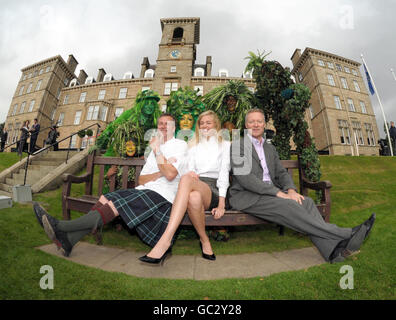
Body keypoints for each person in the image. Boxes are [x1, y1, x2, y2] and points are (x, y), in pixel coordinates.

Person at [228, 108, 376, 263]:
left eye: (259, 121)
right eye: (252, 121)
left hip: (269, 195)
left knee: (307, 202)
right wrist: (278, 193)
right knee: (289, 206)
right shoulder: (238, 145)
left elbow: (281, 173)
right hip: (247, 196)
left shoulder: (269, 148)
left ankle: (332, 252)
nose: (256, 125)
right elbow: (245, 179)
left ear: (264, 124)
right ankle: (346, 233)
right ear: (246, 125)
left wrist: (291, 190)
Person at [33, 114, 188, 259]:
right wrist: (159, 171)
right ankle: (69, 241)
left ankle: (61, 226)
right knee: (106, 198)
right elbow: (141, 180)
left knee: (115, 205)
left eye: (167, 124)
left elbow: (170, 174)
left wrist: (157, 150)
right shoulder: (152, 151)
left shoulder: (180, 145)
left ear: (174, 128)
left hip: (163, 197)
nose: (163, 126)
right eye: (160, 123)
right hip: (144, 191)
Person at [141, 110, 231, 264]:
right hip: (196, 185)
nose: (204, 126)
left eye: (208, 122)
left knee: (187, 181)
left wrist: (222, 203)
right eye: (201, 123)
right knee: (193, 197)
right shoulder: (193, 145)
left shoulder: (226, 145)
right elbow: (189, 169)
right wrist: (189, 171)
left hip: (214, 189)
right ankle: (204, 241)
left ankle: (165, 240)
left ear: (216, 124)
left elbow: (224, 174)